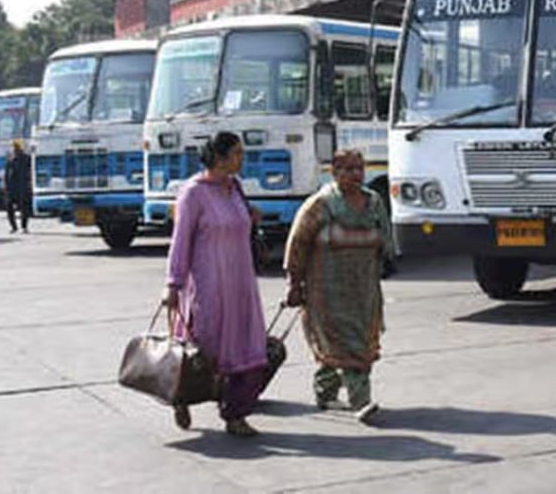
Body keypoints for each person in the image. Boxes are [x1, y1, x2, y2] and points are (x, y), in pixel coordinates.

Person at [165, 132, 268, 438]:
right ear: (220, 158)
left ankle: (235, 415)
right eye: (237, 153)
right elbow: (180, 240)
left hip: (240, 285)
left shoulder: (234, 188)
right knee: (202, 353)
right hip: (208, 286)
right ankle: (180, 397)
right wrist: (173, 283)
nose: (242, 158)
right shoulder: (193, 193)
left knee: (247, 350)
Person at [284, 149, 392, 423]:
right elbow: (297, 244)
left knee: (355, 342)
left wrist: (384, 264)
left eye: (359, 168)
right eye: (348, 169)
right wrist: (295, 284)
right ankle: (360, 401)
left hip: (363, 291)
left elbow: (385, 240)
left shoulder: (374, 201)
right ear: (335, 173)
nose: (356, 174)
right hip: (326, 292)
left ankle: (327, 393)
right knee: (337, 343)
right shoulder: (320, 204)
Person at [3, 139, 32, 234]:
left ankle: (24, 226)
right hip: (12, 188)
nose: (15, 149)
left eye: (16, 147)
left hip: (23, 186)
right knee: (9, 208)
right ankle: (14, 227)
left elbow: (30, 172)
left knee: (24, 208)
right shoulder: (10, 159)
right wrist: (5, 186)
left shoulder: (26, 159)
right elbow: (6, 174)